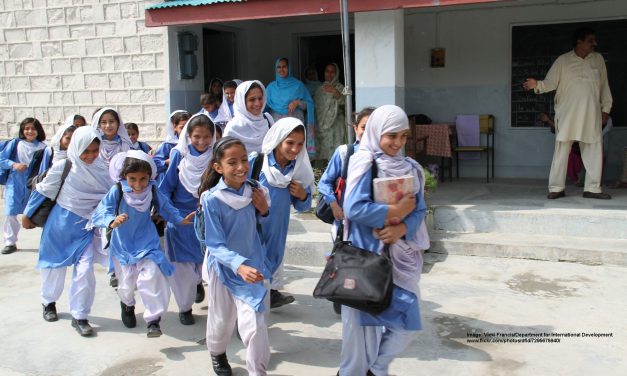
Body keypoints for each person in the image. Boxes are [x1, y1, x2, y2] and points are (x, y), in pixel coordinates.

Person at [340, 105, 427, 376]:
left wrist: (403, 227)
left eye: (404, 136)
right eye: (392, 136)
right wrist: (393, 212)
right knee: (360, 337)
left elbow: (420, 209)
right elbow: (353, 207)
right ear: (377, 132)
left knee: (406, 323)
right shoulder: (364, 162)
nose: (398, 143)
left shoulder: (409, 167)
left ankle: (376, 370)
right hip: (366, 260)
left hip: (399, 260)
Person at [22, 127, 114, 336]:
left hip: (87, 227)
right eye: (86, 151)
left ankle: (80, 316)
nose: (90, 156)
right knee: (53, 267)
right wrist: (27, 215)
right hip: (61, 225)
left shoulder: (103, 168)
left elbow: (111, 195)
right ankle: (48, 302)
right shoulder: (64, 166)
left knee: (84, 271)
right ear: (76, 147)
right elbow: (43, 191)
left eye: (94, 150)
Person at [92, 151, 193, 337]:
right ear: (124, 177)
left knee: (152, 274)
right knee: (127, 283)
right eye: (132, 179)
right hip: (123, 244)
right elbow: (102, 211)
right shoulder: (117, 191)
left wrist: (180, 220)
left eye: (143, 179)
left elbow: (166, 208)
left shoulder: (152, 190)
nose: (138, 185)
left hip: (147, 241)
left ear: (149, 177)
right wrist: (111, 221)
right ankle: (127, 304)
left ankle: (153, 320)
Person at [199, 136, 271, 376]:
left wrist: (263, 210)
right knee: (222, 320)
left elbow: (260, 224)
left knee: (255, 324)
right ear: (219, 168)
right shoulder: (212, 200)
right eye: (232, 162)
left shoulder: (255, 191)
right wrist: (238, 266)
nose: (241, 167)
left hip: (253, 265)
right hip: (224, 268)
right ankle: (217, 353)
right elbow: (215, 244)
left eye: (243, 160)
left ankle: (257, 371)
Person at [523, 27, 613, 200]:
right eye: (590, 40)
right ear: (579, 41)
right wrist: (537, 85)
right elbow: (550, 83)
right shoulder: (563, 61)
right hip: (567, 114)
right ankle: (556, 188)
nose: (595, 43)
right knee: (562, 150)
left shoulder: (598, 59)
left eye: (594, 40)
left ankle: (593, 189)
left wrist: (606, 109)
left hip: (591, 114)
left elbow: (604, 86)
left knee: (593, 149)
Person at [159, 113, 215, 325]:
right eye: (197, 136)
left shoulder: (216, 157)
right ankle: (185, 307)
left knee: (206, 265)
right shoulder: (178, 156)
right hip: (181, 221)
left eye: (207, 136)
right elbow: (165, 190)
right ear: (188, 136)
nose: (202, 142)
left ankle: (198, 285)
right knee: (182, 271)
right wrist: (173, 217)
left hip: (207, 220)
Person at [252, 117, 313, 309]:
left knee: (268, 272)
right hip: (253, 231)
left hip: (277, 234)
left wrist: (303, 195)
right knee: (253, 275)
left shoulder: (297, 169)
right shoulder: (258, 163)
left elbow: (303, 207)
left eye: (299, 144)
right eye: (289, 143)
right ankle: (248, 321)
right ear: (278, 140)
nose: (295, 149)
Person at [318, 107, 374, 239]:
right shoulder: (345, 153)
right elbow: (325, 182)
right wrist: (333, 204)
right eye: (364, 127)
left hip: (373, 225)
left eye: (373, 128)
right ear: (356, 128)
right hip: (345, 223)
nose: (367, 132)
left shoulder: (383, 158)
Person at [0, 118, 46, 254]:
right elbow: (1, 159)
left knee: (40, 213)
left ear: (38, 130)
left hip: (35, 185)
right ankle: (10, 242)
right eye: (26, 128)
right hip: (15, 183)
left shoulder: (43, 148)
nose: (30, 131)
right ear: (22, 130)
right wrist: (13, 164)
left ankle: (46, 242)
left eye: (33, 128)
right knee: (10, 212)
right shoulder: (15, 144)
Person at [265, 58, 316, 157]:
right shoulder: (271, 88)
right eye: (279, 67)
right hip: (276, 128)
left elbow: (309, 105)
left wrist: (298, 102)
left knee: (295, 153)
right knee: (277, 153)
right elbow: (263, 107)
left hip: (295, 129)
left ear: (289, 68)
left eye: (284, 67)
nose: (281, 70)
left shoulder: (298, 85)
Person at [223, 80, 274, 154]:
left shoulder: (268, 118)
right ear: (242, 102)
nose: (257, 103)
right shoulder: (233, 127)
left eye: (260, 98)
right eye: (252, 100)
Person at [314, 63, 346, 162]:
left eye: (332, 72)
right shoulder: (319, 89)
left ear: (336, 73)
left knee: (336, 152)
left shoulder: (341, 88)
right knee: (323, 153)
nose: (329, 74)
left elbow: (345, 103)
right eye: (327, 71)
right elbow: (316, 108)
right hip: (321, 128)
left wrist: (335, 91)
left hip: (336, 125)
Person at [153, 110, 191, 177]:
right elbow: (154, 164)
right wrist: (168, 162)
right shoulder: (168, 145)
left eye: (189, 127)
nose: (186, 131)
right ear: (174, 127)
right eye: (182, 128)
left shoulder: (196, 143)